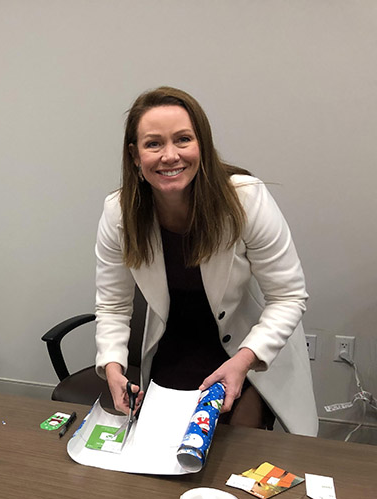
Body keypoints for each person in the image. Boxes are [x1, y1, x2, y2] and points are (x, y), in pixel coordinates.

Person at [94, 86, 318, 435]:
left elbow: (288, 297)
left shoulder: (245, 199)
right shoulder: (120, 213)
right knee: (163, 449)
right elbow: (113, 305)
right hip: (173, 353)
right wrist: (112, 366)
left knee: (236, 448)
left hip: (248, 352)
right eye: (154, 144)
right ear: (135, 155)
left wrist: (244, 362)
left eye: (183, 139)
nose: (170, 155)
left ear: (202, 145)